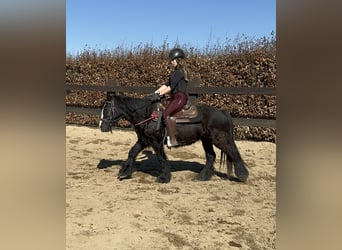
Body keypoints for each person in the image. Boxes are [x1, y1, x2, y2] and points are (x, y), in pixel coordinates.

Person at [149, 48, 189, 147]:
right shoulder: (175, 72)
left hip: (180, 98)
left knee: (166, 113)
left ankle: (173, 139)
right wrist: (155, 92)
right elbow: (166, 85)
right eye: (171, 60)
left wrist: (159, 94)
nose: (171, 62)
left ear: (178, 60)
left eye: (173, 60)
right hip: (174, 97)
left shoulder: (180, 72)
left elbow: (171, 87)